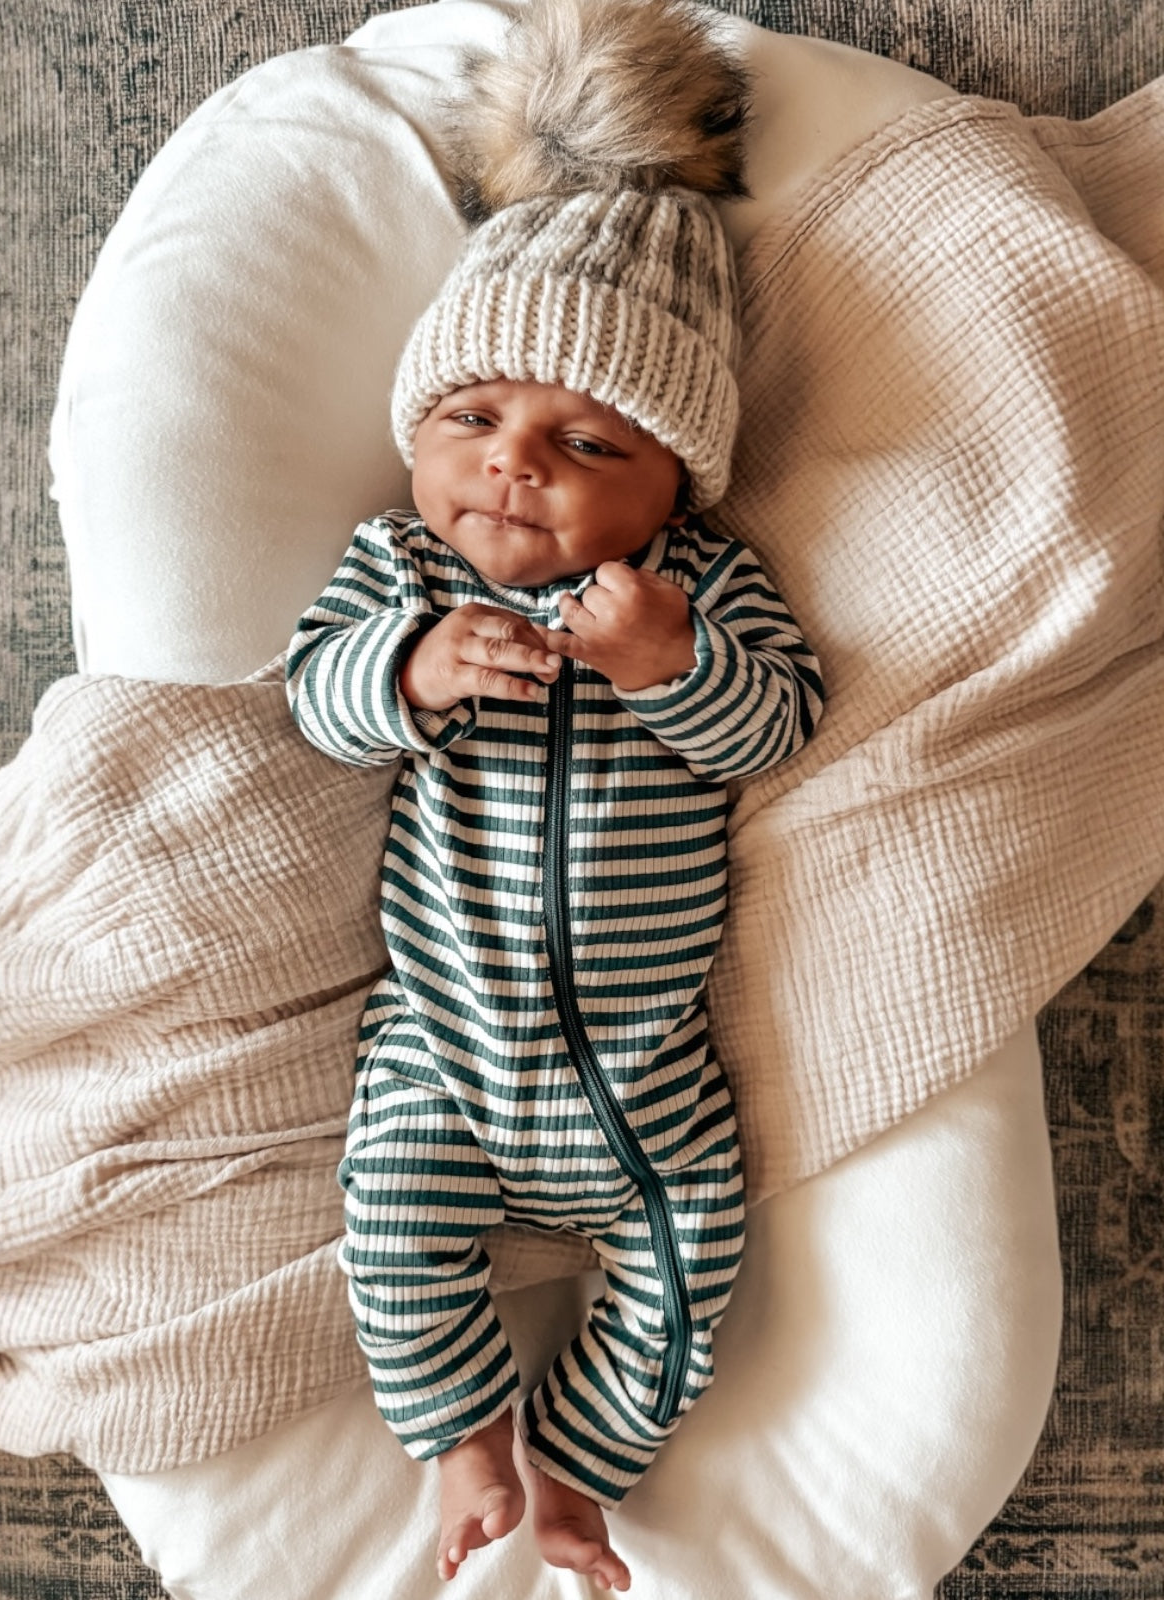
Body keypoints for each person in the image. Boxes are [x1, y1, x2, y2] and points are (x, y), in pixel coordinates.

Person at [286, 1, 824, 1588]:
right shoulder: (398, 574)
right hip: (439, 1048)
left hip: (647, 1079)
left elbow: (778, 728)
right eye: (472, 422)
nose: (513, 463)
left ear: (675, 483)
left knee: (692, 1252)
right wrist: (406, 671)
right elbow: (316, 707)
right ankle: (463, 1442)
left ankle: (582, 1473)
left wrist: (673, 667)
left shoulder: (706, 589)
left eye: (584, 440)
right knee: (387, 1223)